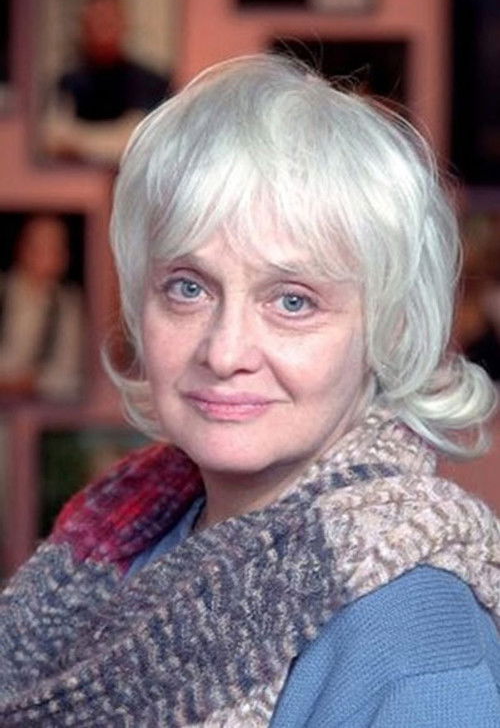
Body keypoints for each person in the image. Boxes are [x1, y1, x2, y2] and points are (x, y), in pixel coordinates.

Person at [1, 55, 499, 726]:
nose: (225, 351)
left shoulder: (416, 646)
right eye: (188, 288)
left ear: (389, 327)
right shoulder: (126, 531)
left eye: (293, 301)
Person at [43, 0, 171, 163]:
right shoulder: (67, 83)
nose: (102, 25)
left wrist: (78, 142)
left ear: (124, 22)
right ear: (84, 24)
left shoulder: (152, 82)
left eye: (109, 18)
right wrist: (114, 140)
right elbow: (54, 139)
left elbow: (142, 143)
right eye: (96, 18)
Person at [0, 214, 83, 401]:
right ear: (22, 248)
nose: (44, 254)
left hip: (42, 408)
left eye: (53, 247)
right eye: (37, 246)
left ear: (64, 257)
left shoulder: (69, 306)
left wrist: (30, 383)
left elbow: (69, 375)